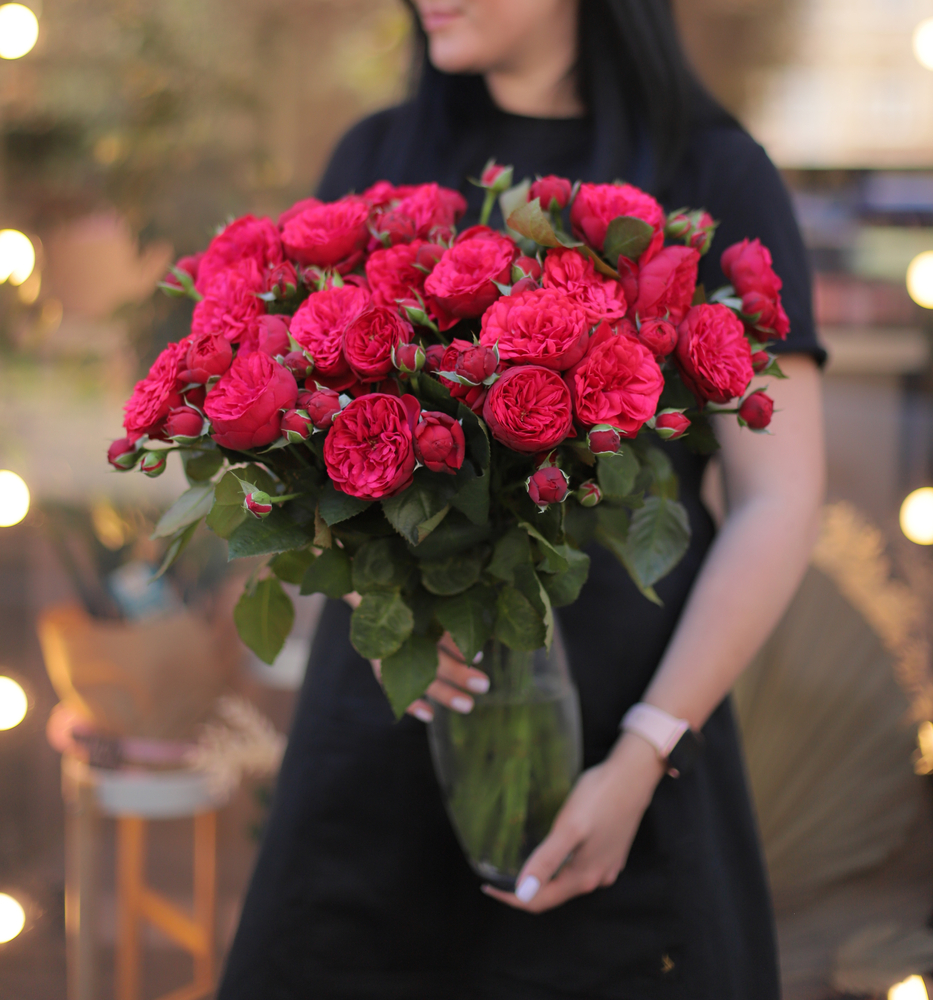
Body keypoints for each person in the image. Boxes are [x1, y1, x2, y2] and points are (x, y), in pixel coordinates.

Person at [218, 2, 826, 997]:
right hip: (388, 737)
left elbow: (780, 497)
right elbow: (313, 441)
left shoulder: (714, 172)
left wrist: (646, 751)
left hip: (621, 733)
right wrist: (376, 595)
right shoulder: (377, 158)